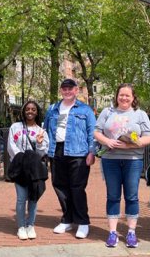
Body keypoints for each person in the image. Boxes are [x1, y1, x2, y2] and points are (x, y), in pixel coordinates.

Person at [94, 83, 150, 248]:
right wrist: (107, 141)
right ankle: (112, 233)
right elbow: (97, 131)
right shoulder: (107, 112)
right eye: (121, 95)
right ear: (117, 96)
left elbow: (149, 137)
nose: (124, 98)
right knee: (113, 195)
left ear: (133, 98)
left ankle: (131, 233)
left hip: (133, 160)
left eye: (128, 95)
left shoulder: (140, 114)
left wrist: (131, 144)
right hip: (110, 159)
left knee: (132, 196)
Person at [44, 78, 96, 239]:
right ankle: (67, 219)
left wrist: (92, 152)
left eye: (70, 89)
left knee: (77, 187)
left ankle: (82, 222)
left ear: (76, 90)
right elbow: (45, 129)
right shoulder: (53, 109)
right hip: (57, 151)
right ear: (61, 90)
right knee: (59, 185)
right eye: (64, 89)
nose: (67, 91)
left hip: (78, 152)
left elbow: (92, 132)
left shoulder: (85, 110)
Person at [7, 101, 49, 240]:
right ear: (23, 111)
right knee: (21, 199)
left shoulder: (41, 130)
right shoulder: (15, 127)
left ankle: (30, 225)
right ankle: (21, 226)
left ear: (37, 112)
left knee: (33, 198)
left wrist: (39, 143)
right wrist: (21, 159)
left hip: (34, 170)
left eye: (33, 109)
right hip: (20, 168)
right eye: (27, 109)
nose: (30, 111)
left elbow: (42, 152)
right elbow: (11, 146)